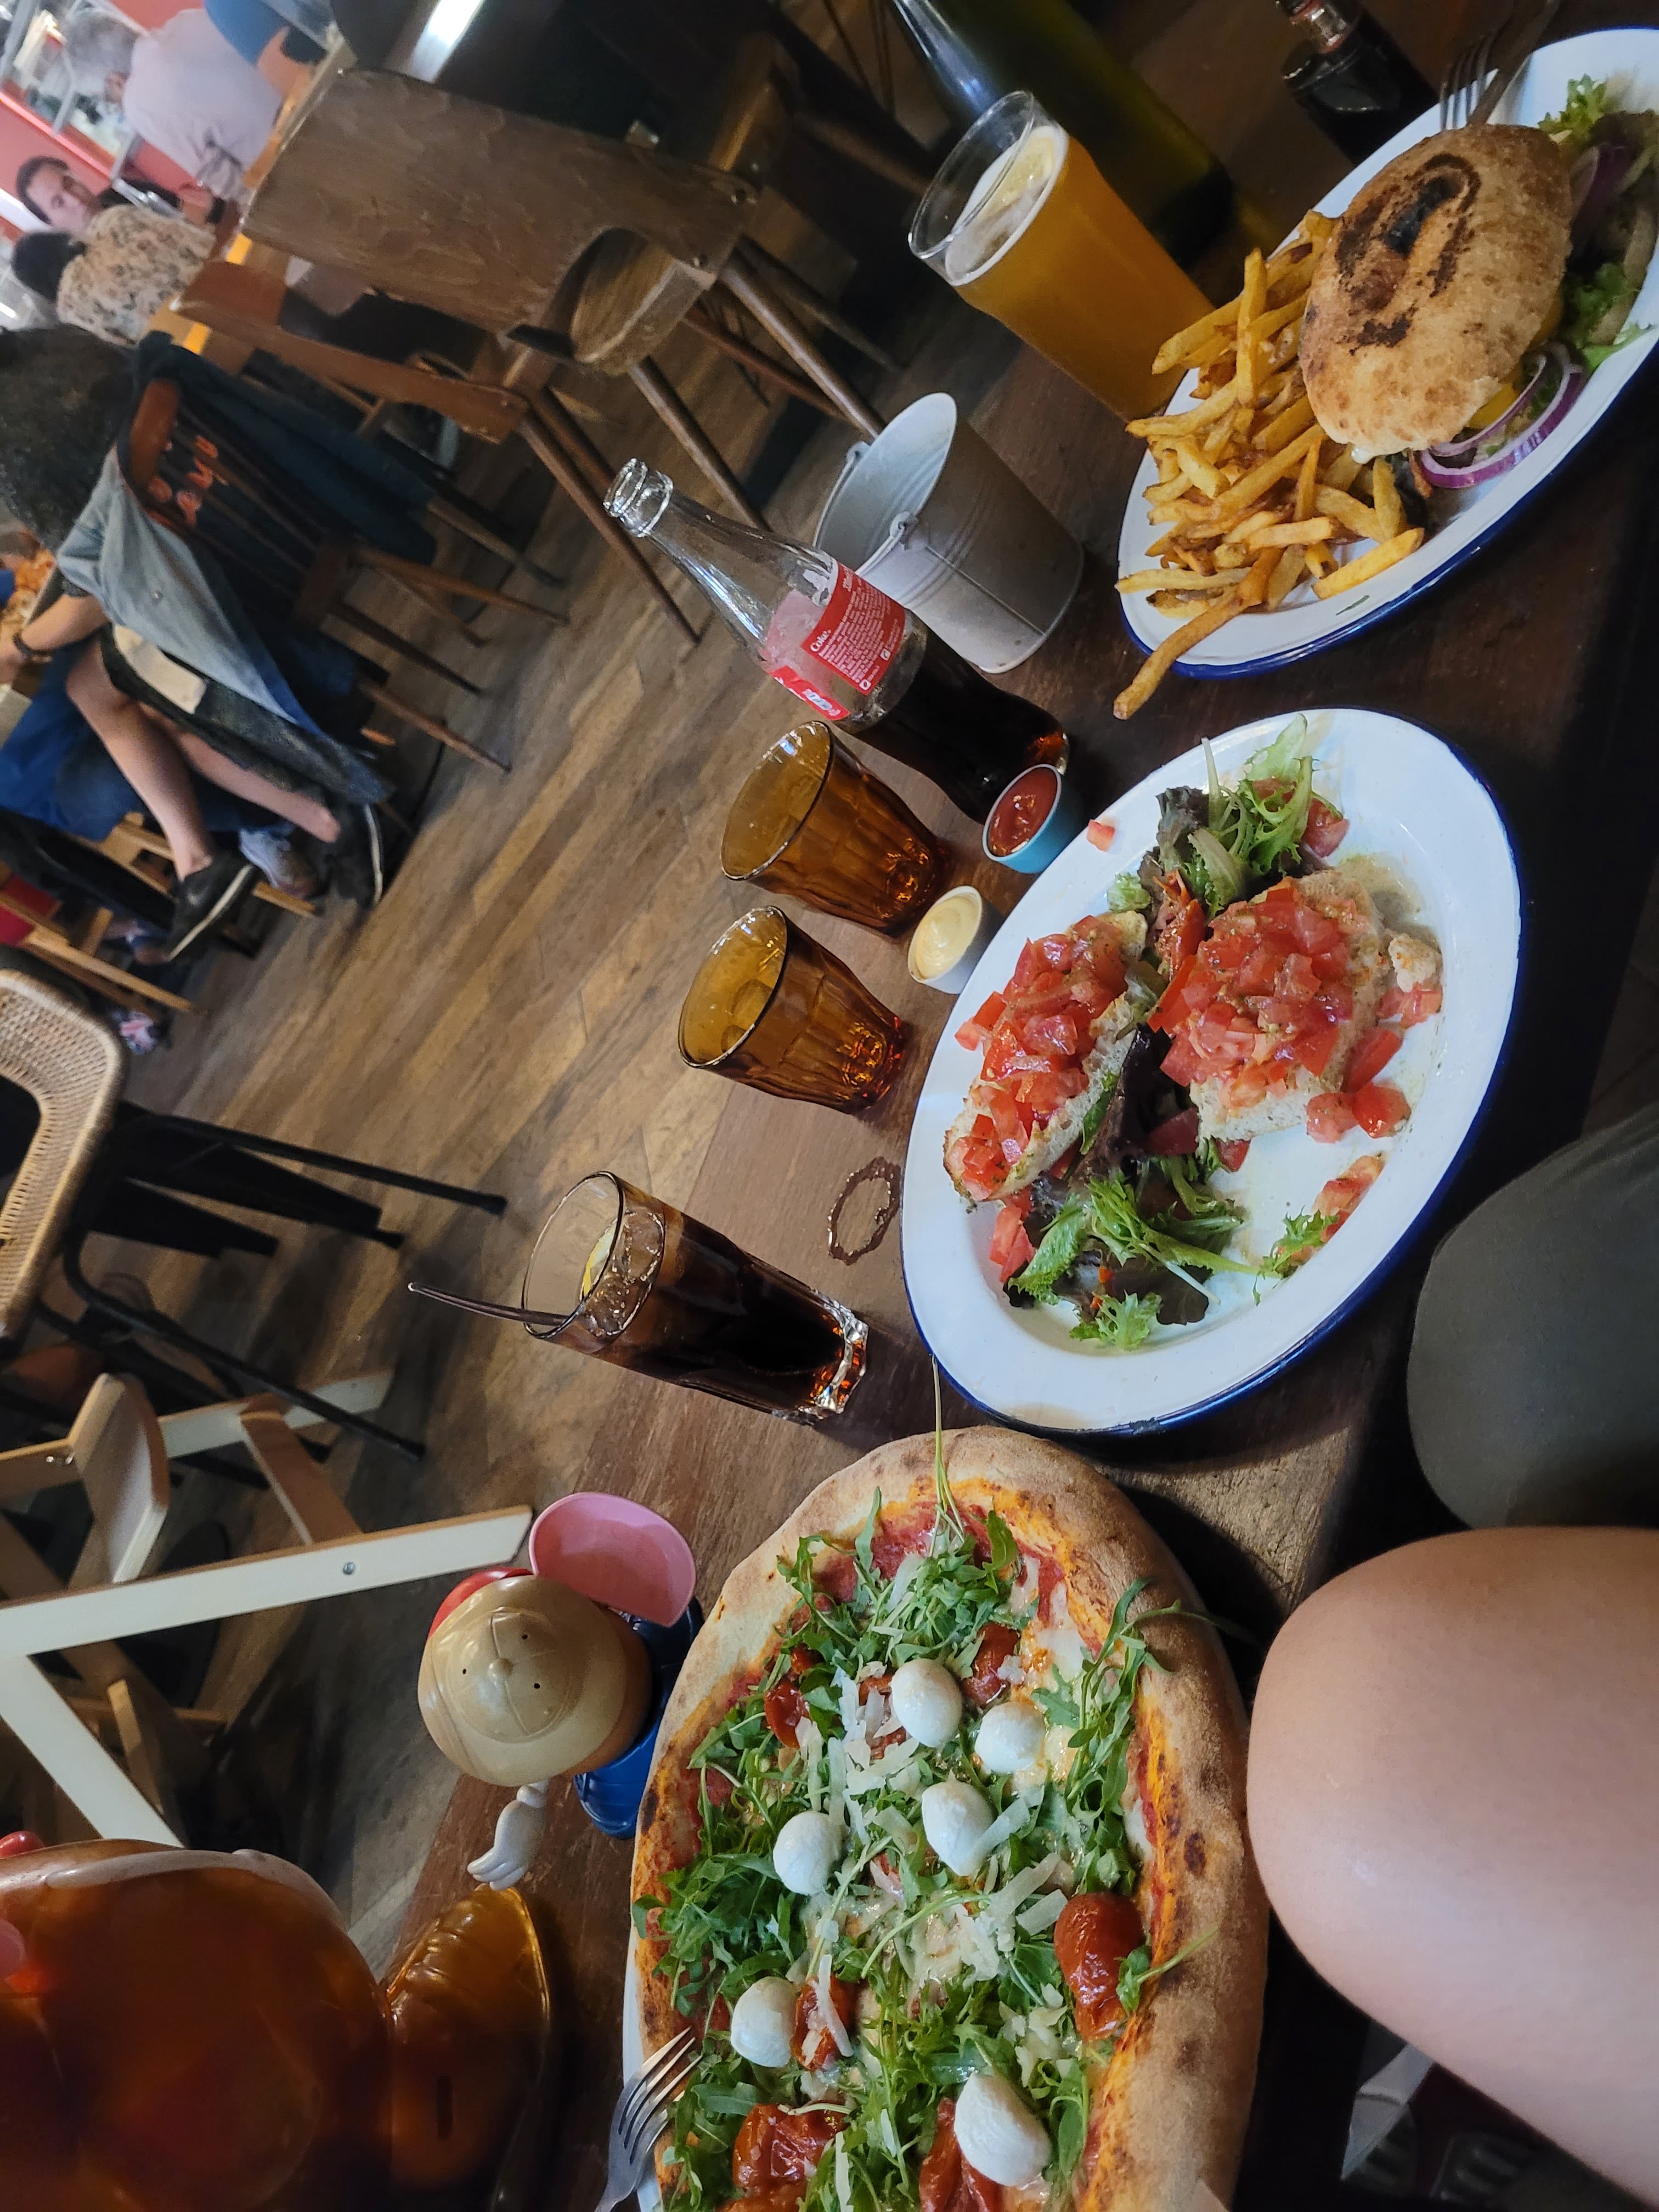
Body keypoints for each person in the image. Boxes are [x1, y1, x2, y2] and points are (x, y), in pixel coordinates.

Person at [63, 10, 283, 201]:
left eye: (108, 98)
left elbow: (215, 172)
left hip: (281, 159)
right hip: (300, 101)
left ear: (115, 81)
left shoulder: (138, 103)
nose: (114, 104)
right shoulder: (186, 20)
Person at [11, 210, 212, 349]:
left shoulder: (72, 311)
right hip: (223, 274)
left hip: (202, 344)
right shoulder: (111, 220)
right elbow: (193, 234)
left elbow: (128, 349)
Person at [13, 154, 196, 232]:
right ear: (51, 223)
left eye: (69, 184)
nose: (76, 200)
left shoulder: (126, 191)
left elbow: (193, 213)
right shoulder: (88, 273)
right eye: (58, 203)